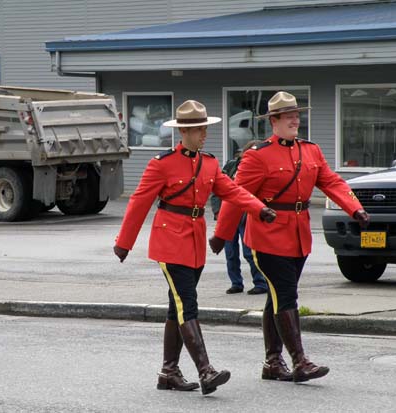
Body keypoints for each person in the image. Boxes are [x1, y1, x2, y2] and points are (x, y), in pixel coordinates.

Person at [113, 100, 276, 395]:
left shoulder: (210, 163)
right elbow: (139, 202)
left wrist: (258, 208)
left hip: (195, 241)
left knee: (177, 308)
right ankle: (205, 370)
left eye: (205, 128)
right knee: (187, 303)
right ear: (184, 132)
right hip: (169, 242)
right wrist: (124, 243)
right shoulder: (161, 164)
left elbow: (233, 191)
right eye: (199, 129)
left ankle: (168, 372)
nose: (204, 134)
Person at [209, 91, 370, 383]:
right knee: (286, 295)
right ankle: (300, 361)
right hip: (267, 236)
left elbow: (331, 181)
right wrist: (222, 235)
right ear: (274, 121)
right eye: (288, 116)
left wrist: (355, 208)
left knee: (277, 297)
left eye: (297, 114)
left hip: (298, 235)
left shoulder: (310, 150)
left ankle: (272, 362)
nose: (295, 119)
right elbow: (237, 196)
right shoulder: (257, 156)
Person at [210, 140, 268, 295]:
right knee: (230, 253)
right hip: (228, 216)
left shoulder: (259, 167)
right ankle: (236, 283)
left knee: (250, 252)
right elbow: (216, 190)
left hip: (246, 216)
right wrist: (217, 211)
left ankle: (260, 282)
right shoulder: (231, 166)